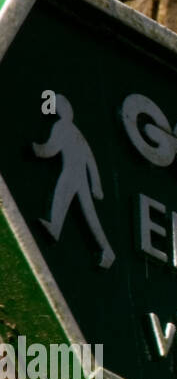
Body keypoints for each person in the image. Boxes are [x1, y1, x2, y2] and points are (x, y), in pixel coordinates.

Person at [32, 96, 114, 268]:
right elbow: (91, 161)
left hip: (72, 172)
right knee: (87, 213)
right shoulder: (75, 130)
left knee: (75, 205)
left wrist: (38, 149)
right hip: (77, 174)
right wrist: (96, 184)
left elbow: (52, 149)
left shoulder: (63, 126)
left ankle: (107, 251)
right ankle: (56, 229)